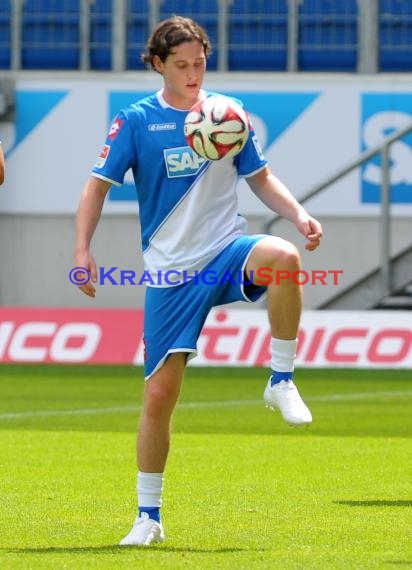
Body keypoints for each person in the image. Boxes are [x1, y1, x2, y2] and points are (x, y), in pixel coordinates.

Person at [74, 16, 323, 547]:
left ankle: (281, 380)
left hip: (224, 250)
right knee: (160, 396)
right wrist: (82, 250)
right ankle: (148, 516)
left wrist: (299, 214)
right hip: (170, 273)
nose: (193, 73)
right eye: (181, 64)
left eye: (200, 62)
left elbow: (258, 176)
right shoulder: (136, 121)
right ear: (158, 64)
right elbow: (96, 188)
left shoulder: (226, 114)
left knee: (282, 255)